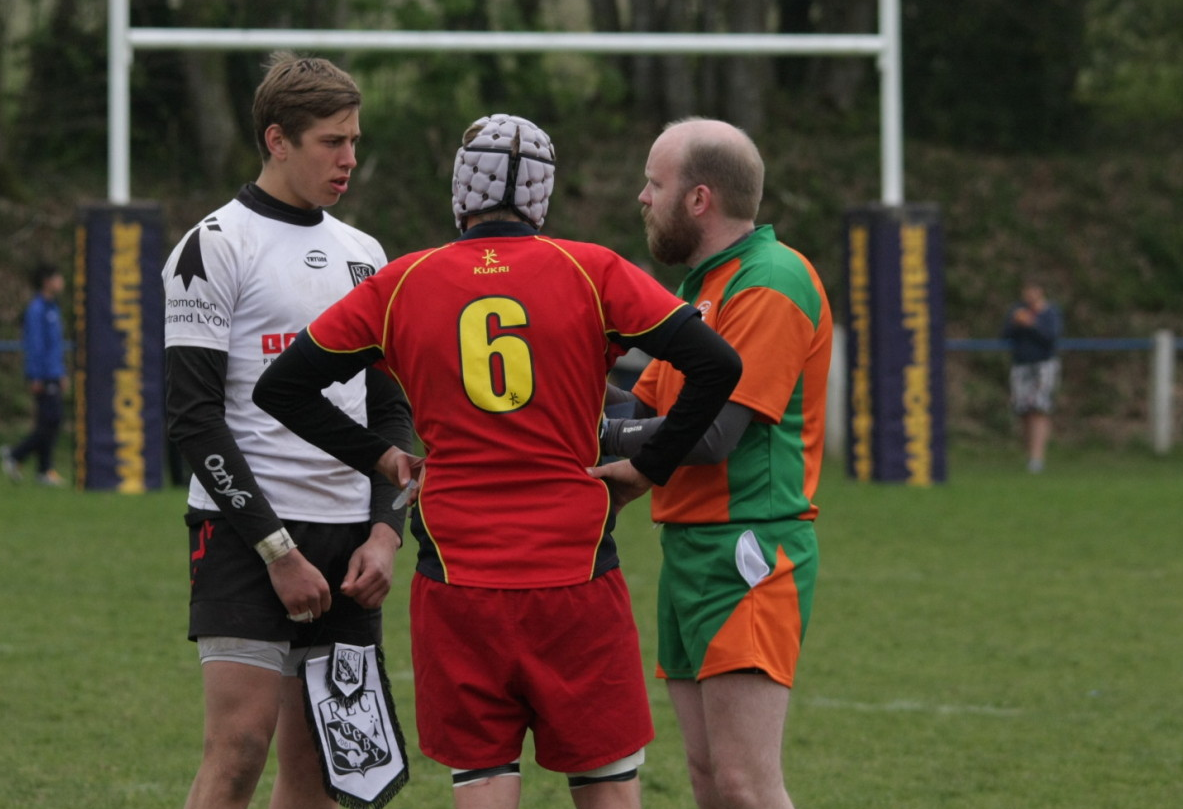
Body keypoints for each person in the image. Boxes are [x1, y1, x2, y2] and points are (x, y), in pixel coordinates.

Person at [251, 113, 741, 809]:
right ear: (541, 200)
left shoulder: (402, 283)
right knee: (606, 783)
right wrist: (650, 467)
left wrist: (385, 456)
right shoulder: (591, 268)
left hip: (458, 575)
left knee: (481, 780)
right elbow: (717, 364)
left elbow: (281, 387)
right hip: (574, 570)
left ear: (461, 194)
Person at [160, 54, 412, 809]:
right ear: (277, 139)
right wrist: (276, 550)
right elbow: (194, 417)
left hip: (349, 545)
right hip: (247, 536)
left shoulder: (367, 256)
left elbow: (391, 409)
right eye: (331, 142)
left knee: (321, 777)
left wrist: (384, 533)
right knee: (237, 752)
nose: (350, 159)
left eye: (355, 140)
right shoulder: (214, 247)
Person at [598, 118, 833, 809]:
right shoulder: (708, 286)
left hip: (749, 546)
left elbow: (710, 435)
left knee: (745, 783)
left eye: (654, 182)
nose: (643, 197)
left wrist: (606, 431)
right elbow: (638, 406)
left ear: (699, 199)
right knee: (709, 780)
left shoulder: (769, 282)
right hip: (693, 546)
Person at [0, 261, 67, 486]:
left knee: (49, 423)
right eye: (58, 277)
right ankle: (16, 455)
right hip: (43, 375)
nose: (61, 282)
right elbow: (35, 346)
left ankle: (44, 470)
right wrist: (35, 376)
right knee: (51, 421)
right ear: (47, 282)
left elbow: (55, 345)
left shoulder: (53, 308)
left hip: (54, 373)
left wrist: (61, 372)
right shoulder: (37, 309)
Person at [1002, 279, 1062, 473]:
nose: (1029, 295)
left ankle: (1038, 457)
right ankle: (1029, 455)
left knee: (1039, 409)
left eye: (1032, 291)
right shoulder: (1017, 310)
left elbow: (1051, 337)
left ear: (1040, 291)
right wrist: (1016, 323)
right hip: (1021, 366)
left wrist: (1031, 324)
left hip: (1043, 366)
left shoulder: (1049, 312)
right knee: (1024, 411)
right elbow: (1005, 335)